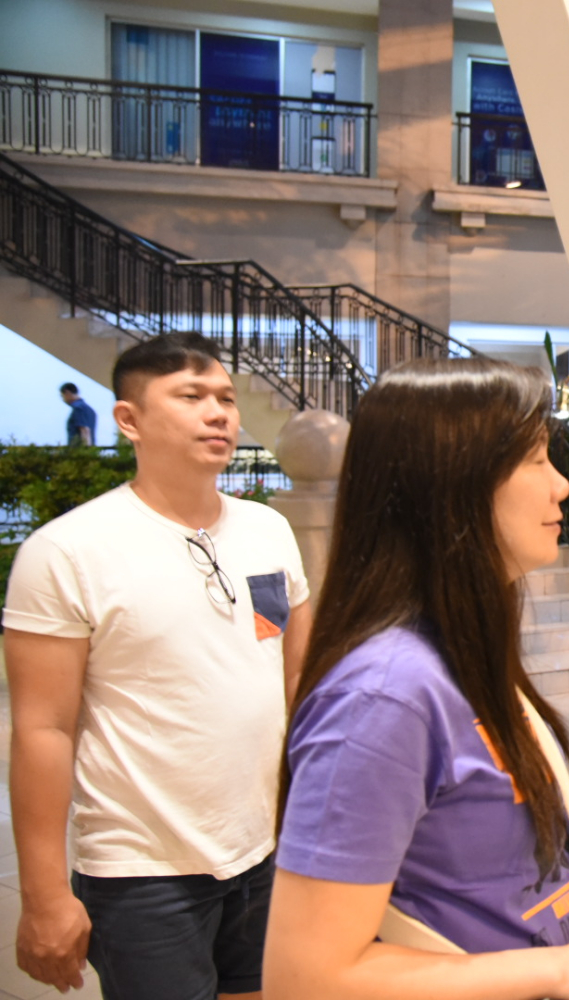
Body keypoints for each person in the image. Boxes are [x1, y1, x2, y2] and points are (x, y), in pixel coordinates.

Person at [264, 357, 569, 1000]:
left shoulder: (459, 651)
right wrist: (556, 969)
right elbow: (306, 978)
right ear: (454, 481)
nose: (563, 486)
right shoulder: (385, 696)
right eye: (537, 459)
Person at [5, 333, 312, 999]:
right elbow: (42, 730)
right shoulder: (67, 551)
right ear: (129, 420)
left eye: (227, 398)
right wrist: (45, 897)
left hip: (264, 850)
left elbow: (299, 679)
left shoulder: (268, 530)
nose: (219, 413)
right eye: (192, 396)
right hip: (142, 869)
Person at [59, 382, 97, 447]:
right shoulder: (90, 410)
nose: (63, 399)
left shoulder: (79, 408)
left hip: (79, 451)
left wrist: (85, 452)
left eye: (62, 396)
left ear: (67, 392)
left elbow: (84, 430)